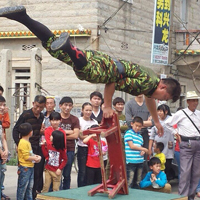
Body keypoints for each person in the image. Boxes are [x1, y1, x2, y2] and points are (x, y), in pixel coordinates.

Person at [0, 5, 181, 136]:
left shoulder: (150, 83)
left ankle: (23, 17)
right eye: (163, 97)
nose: (159, 100)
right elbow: (115, 80)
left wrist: (157, 122)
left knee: (53, 47)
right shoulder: (148, 82)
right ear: (163, 87)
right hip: (109, 67)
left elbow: (150, 99)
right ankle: (70, 48)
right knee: (87, 73)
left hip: (102, 60)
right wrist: (107, 105)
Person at [165, 91, 200, 200]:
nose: (195, 102)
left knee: (196, 172)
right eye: (193, 100)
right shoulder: (181, 113)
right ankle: (183, 197)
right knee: (185, 172)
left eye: (196, 100)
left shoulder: (199, 113)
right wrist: (175, 132)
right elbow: (167, 123)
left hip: (198, 143)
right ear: (188, 101)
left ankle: (191, 197)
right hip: (186, 143)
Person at [13, 95, 46, 199]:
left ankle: (33, 195)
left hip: (37, 147)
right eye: (36, 106)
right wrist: (19, 144)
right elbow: (15, 130)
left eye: (41, 107)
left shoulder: (41, 116)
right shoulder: (26, 115)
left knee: (37, 173)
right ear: (33, 103)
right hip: (26, 148)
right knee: (25, 173)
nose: (38, 109)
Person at [125, 95, 152, 176]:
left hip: (144, 134)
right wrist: (145, 122)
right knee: (131, 158)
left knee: (144, 158)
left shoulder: (149, 104)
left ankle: (141, 181)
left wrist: (138, 123)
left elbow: (152, 122)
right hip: (132, 134)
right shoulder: (129, 104)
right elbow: (129, 121)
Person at [149, 104, 174, 181]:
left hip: (168, 146)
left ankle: (165, 181)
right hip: (157, 147)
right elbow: (151, 136)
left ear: (166, 112)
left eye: (161, 111)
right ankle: (156, 180)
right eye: (158, 111)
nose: (159, 113)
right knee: (156, 164)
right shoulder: (156, 120)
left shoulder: (171, 119)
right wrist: (149, 148)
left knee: (167, 164)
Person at [59, 97, 80, 190]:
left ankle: (66, 192)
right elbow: (51, 133)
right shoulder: (56, 117)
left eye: (70, 105)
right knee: (56, 173)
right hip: (57, 149)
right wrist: (69, 131)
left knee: (67, 174)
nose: (67, 107)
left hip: (69, 149)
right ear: (60, 106)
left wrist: (60, 135)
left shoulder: (74, 119)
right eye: (65, 105)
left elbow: (76, 135)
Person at [17, 123, 41, 200]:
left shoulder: (26, 142)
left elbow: (29, 154)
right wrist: (35, 158)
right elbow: (26, 157)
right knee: (23, 187)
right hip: (25, 168)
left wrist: (35, 156)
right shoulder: (23, 142)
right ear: (31, 132)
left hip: (30, 167)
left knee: (29, 187)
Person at [124, 116, 149, 189]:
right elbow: (131, 146)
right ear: (132, 124)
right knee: (130, 181)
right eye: (136, 126)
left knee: (138, 181)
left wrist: (142, 151)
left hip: (140, 161)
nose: (137, 128)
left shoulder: (140, 136)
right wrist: (143, 149)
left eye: (139, 126)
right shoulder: (128, 133)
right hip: (131, 161)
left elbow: (140, 148)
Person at [77, 102, 98, 187]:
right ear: (82, 110)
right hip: (83, 148)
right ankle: (80, 188)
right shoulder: (79, 120)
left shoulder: (94, 121)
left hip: (93, 149)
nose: (88, 112)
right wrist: (90, 136)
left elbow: (97, 136)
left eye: (90, 110)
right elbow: (80, 135)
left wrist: (87, 135)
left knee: (91, 171)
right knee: (82, 171)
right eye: (86, 110)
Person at [0, 96, 10, 200]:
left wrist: (5, 150)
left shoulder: (4, 114)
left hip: (2, 149)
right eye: (0, 105)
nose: (2, 107)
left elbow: (7, 125)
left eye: (3, 105)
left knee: (2, 171)